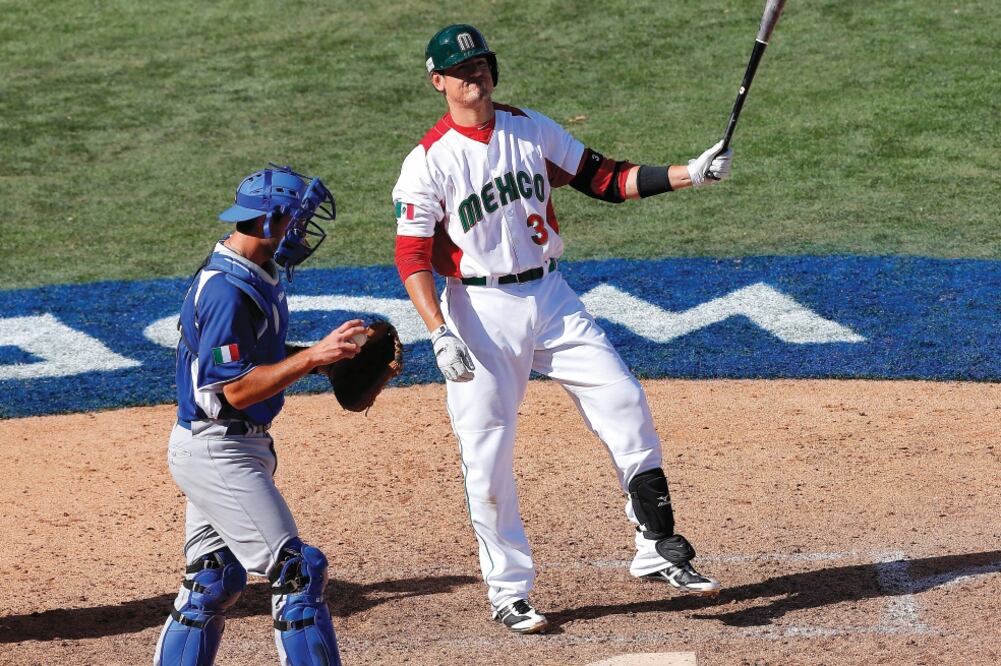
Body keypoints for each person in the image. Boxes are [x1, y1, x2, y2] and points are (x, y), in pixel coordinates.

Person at [392, 24, 734, 635]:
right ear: (437, 81)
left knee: (624, 399)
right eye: (463, 69)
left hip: (550, 294)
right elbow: (412, 257)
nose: (477, 76)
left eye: (484, 65)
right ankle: (508, 590)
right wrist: (439, 331)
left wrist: (689, 172)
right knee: (487, 453)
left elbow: (603, 179)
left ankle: (655, 544)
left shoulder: (531, 127)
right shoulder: (428, 162)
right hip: (479, 309)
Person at [155, 165, 366, 665]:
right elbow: (234, 389)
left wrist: (321, 362)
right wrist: (311, 357)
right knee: (299, 571)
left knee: (213, 576)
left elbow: (250, 358)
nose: (302, 230)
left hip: (221, 444)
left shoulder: (252, 272)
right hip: (218, 448)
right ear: (268, 221)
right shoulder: (228, 289)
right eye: (296, 219)